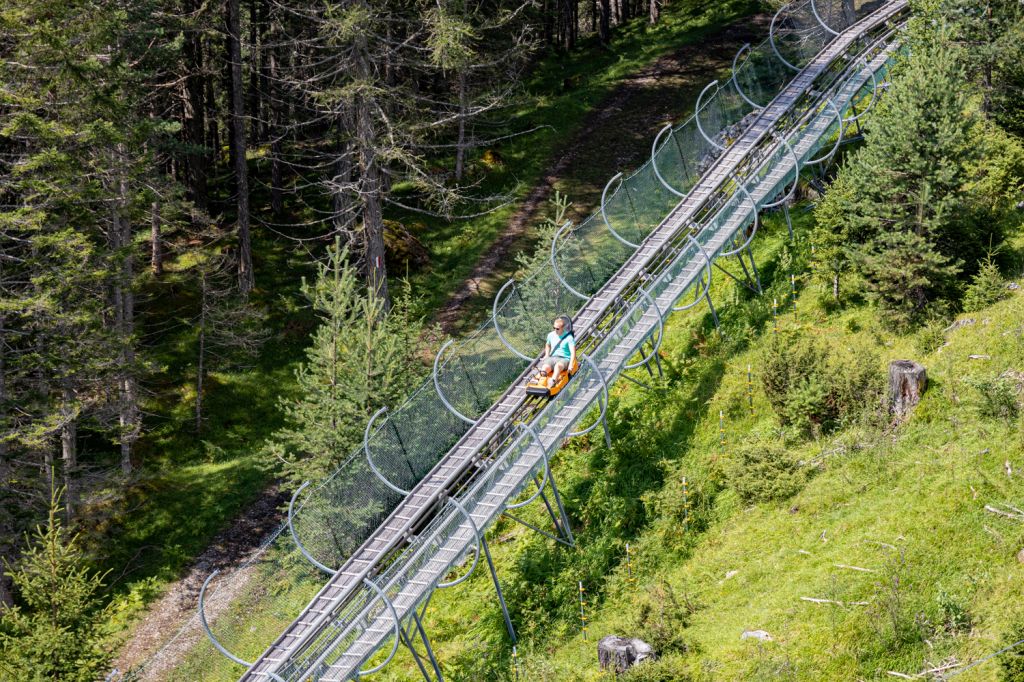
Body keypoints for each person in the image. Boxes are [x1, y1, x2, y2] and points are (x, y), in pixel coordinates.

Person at [542, 315, 576, 389]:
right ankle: (542, 382)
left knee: (558, 366)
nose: (555, 330)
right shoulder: (550, 335)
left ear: (562, 328)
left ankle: (553, 381)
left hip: (564, 358)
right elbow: (547, 345)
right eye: (554, 328)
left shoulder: (569, 338)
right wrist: (547, 355)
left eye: (557, 329)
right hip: (553, 357)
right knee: (545, 367)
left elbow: (573, 352)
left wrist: (570, 364)